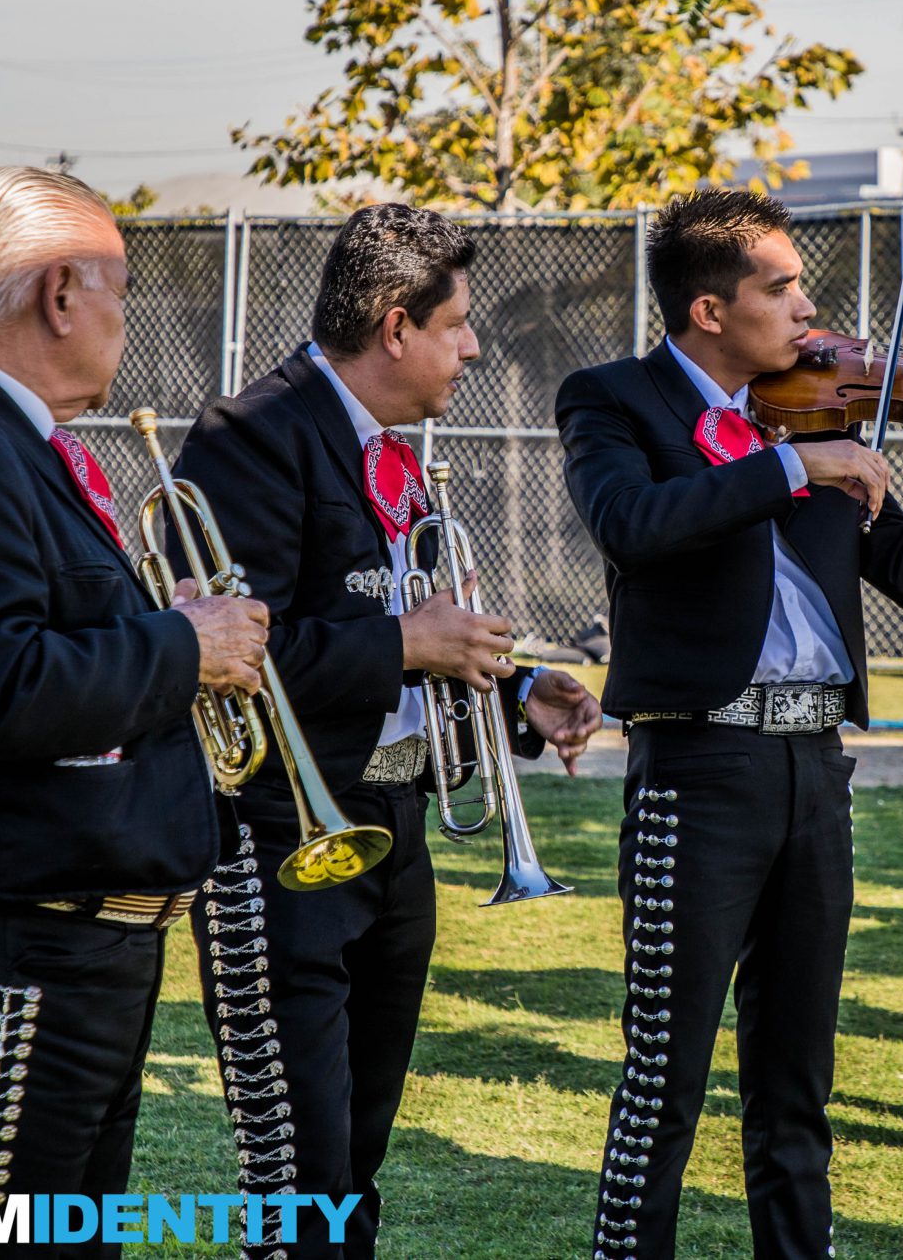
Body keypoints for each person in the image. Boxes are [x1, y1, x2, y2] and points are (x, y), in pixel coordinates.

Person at [556, 189, 903, 1259]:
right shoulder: (615, 400)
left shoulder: (817, 407)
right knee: (664, 1076)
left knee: (797, 1079)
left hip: (816, 764)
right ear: (709, 310)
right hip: (697, 761)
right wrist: (785, 469)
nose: (810, 308)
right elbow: (630, 523)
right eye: (781, 287)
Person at [0, 166, 270, 1253]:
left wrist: (152, 625)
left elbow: (29, 642)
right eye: (119, 287)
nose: (125, 315)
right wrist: (185, 646)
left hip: (61, 951)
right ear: (61, 293)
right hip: (10, 957)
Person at [172, 202, 603, 1257]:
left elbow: (410, 627)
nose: (472, 347)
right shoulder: (253, 435)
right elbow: (239, 655)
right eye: (457, 324)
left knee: (354, 1166)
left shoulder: (388, 447)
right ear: (397, 324)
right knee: (300, 1176)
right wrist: (411, 645)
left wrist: (515, 690)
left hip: (391, 833)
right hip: (282, 839)